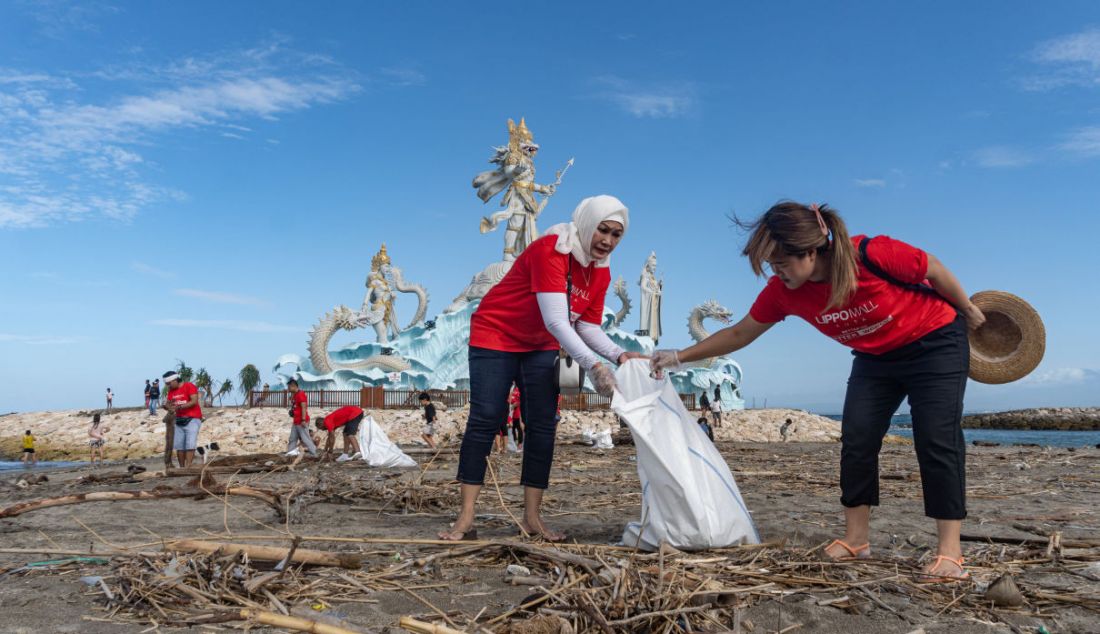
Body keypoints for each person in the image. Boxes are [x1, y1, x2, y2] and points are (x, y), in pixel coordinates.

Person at [651, 201, 985, 582]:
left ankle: (950, 553)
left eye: (782, 263)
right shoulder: (783, 292)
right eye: (770, 266)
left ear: (811, 250)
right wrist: (677, 356)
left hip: (934, 341)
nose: (776, 273)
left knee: (936, 438)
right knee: (857, 438)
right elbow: (740, 333)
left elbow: (934, 269)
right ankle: (857, 540)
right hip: (876, 358)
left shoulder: (869, 254)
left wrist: (967, 309)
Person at [439, 194, 644, 542]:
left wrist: (619, 355)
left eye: (616, 235)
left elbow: (588, 326)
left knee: (543, 424)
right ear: (586, 224)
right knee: (486, 418)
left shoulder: (601, 272)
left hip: (539, 345)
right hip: (496, 333)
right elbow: (557, 321)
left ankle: (533, 518)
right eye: (602, 230)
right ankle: (466, 516)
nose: (607, 241)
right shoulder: (552, 249)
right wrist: (594, 366)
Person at [163, 370, 203, 468]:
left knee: (190, 443)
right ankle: (182, 467)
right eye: (166, 384)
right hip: (179, 419)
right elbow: (169, 403)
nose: (168, 386)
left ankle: (188, 466)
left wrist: (180, 407)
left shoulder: (189, 386)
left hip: (192, 418)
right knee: (179, 446)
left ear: (175, 380)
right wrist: (167, 406)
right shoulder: (171, 391)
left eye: (169, 383)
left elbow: (194, 401)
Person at [285, 379, 318, 457]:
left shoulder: (301, 394)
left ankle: (314, 453)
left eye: (289, 387)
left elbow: (304, 407)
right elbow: (296, 407)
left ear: (294, 386)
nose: (288, 389)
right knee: (292, 438)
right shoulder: (295, 395)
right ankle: (290, 452)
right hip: (296, 420)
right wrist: (292, 412)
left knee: (305, 438)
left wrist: (303, 420)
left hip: (301, 421)